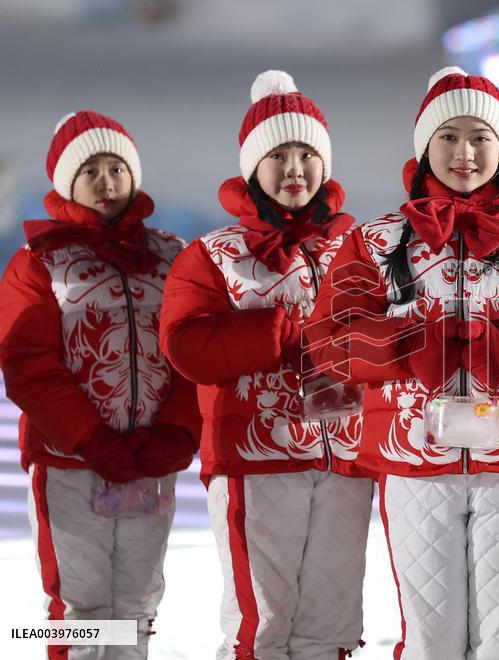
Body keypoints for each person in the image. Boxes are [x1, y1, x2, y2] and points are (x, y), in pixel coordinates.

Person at [307, 66, 499, 659]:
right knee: (432, 641)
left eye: (480, 138)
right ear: (425, 146)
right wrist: (404, 346)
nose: (464, 152)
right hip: (413, 461)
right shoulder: (377, 241)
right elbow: (327, 338)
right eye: (448, 136)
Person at [159, 70, 371, 660]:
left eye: (307, 153)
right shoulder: (213, 255)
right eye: (278, 154)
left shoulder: (359, 249)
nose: (295, 168)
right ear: (253, 167)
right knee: (262, 623)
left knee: (331, 625)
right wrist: (278, 331)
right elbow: (186, 344)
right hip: (257, 458)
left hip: (346, 456)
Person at [0, 110, 200, 659]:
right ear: (65, 184)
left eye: (116, 167)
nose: (107, 181)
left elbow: (190, 348)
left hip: (150, 460)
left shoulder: (172, 256)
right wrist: (89, 438)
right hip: (71, 463)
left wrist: (178, 430)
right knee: (81, 609)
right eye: (90, 170)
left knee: (138, 601)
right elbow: (27, 362)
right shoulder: (38, 264)